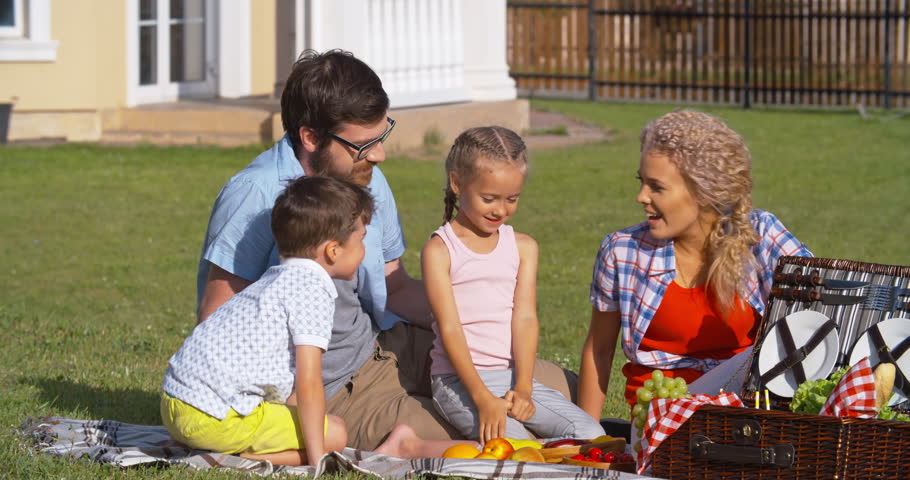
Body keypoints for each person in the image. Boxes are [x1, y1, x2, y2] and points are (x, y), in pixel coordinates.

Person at [194, 49, 577, 450]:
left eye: (382, 135)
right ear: (310, 137)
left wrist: (470, 334)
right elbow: (215, 321)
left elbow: (395, 287)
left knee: (560, 389)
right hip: (337, 389)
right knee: (499, 434)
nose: (379, 154)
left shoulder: (366, 177)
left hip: (387, 342)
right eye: (364, 144)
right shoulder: (256, 195)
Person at [577, 110, 813, 422]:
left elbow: (819, 318)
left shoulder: (759, 236)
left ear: (703, 191)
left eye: (656, 187)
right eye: (641, 182)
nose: (641, 197)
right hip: (658, 419)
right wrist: (586, 437)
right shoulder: (623, 252)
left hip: (743, 415)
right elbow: (599, 351)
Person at [421, 126, 606, 445]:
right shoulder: (439, 251)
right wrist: (482, 398)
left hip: (513, 378)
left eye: (512, 199)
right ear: (456, 183)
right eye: (489, 198)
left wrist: (524, 386)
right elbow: (450, 328)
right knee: (519, 449)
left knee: (593, 435)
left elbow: (525, 318)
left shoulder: (524, 247)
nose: (500, 210)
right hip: (458, 381)